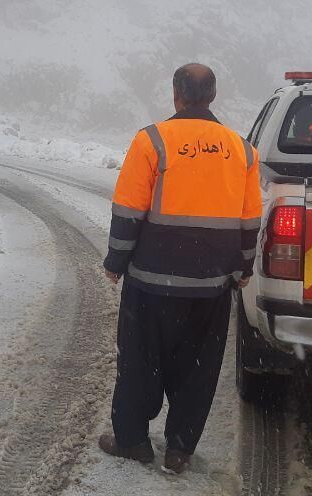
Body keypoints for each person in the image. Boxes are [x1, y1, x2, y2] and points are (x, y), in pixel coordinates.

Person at [98, 63, 264, 474]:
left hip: (152, 283)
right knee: (199, 368)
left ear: (176, 93)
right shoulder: (242, 149)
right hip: (210, 287)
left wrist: (117, 260)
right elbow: (250, 220)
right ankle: (180, 450)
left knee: (140, 360)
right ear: (212, 96)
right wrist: (243, 268)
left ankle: (133, 440)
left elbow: (128, 210)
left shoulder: (152, 140)